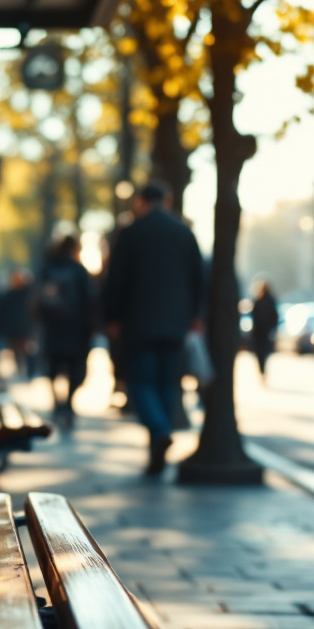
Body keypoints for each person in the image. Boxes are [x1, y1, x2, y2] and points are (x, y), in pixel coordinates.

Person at [103, 181, 205, 475]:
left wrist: (113, 318)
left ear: (140, 201)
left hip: (139, 324)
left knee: (141, 384)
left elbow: (116, 280)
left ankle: (159, 432)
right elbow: (198, 277)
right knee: (165, 385)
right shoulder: (184, 233)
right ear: (168, 200)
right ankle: (157, 449)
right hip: (175, 325)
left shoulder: (131, 233)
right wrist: (194, 315)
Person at [39, 234, 99, 430]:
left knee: (53, 369)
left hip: (53, 330)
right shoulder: (79, 271)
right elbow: (90, 301)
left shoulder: (48, 269)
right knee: (75, 370)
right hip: (76, 331)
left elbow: (38, 302)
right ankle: (68, 405)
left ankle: (58, 404)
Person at [0, 269, 36, 378]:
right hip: (13, 329)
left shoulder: (28, 293)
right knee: (16, 352)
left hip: (26, 328)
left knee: (29, 351)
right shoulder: (8, 296)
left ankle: (30, 372)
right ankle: (21, 371)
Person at [250, 279, 279, 381]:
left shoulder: (265, 300)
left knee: (262, 352)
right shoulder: (259, 300)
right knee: (261, 352)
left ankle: (262, 370)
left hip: (263, 331)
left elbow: (274, 316)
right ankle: (262, 370)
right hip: (261, 331)